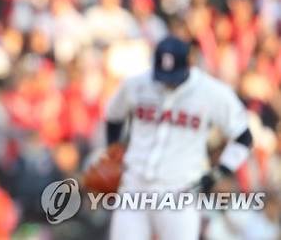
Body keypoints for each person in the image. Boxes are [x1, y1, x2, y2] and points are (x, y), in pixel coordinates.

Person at [105, 35, 253, 240]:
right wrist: (114, 152)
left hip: (180, 188)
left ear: (189, 64)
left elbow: (244, 137)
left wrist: (218, 173)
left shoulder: (211, 91)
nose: (168, 83)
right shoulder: (136, 84)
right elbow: (113, 116)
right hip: (134, 184)